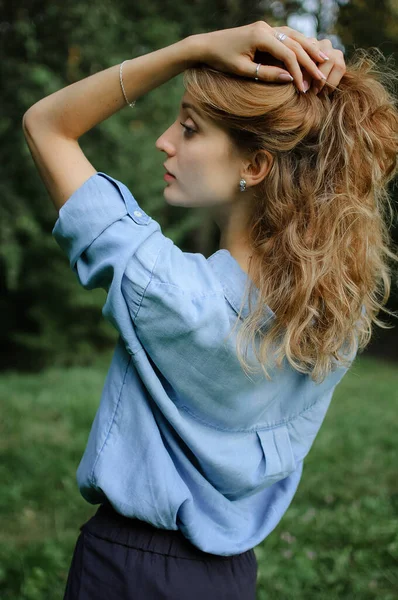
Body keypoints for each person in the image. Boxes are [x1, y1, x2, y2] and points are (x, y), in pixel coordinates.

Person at [22, 21, 398, 600]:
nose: (165, 141)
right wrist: (320, 96)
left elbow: (46, 125)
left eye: (190, 129)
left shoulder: (170, 294)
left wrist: (190, 50)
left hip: (127, 572)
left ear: (256, 167)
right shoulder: (331, 324)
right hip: (230, 579)